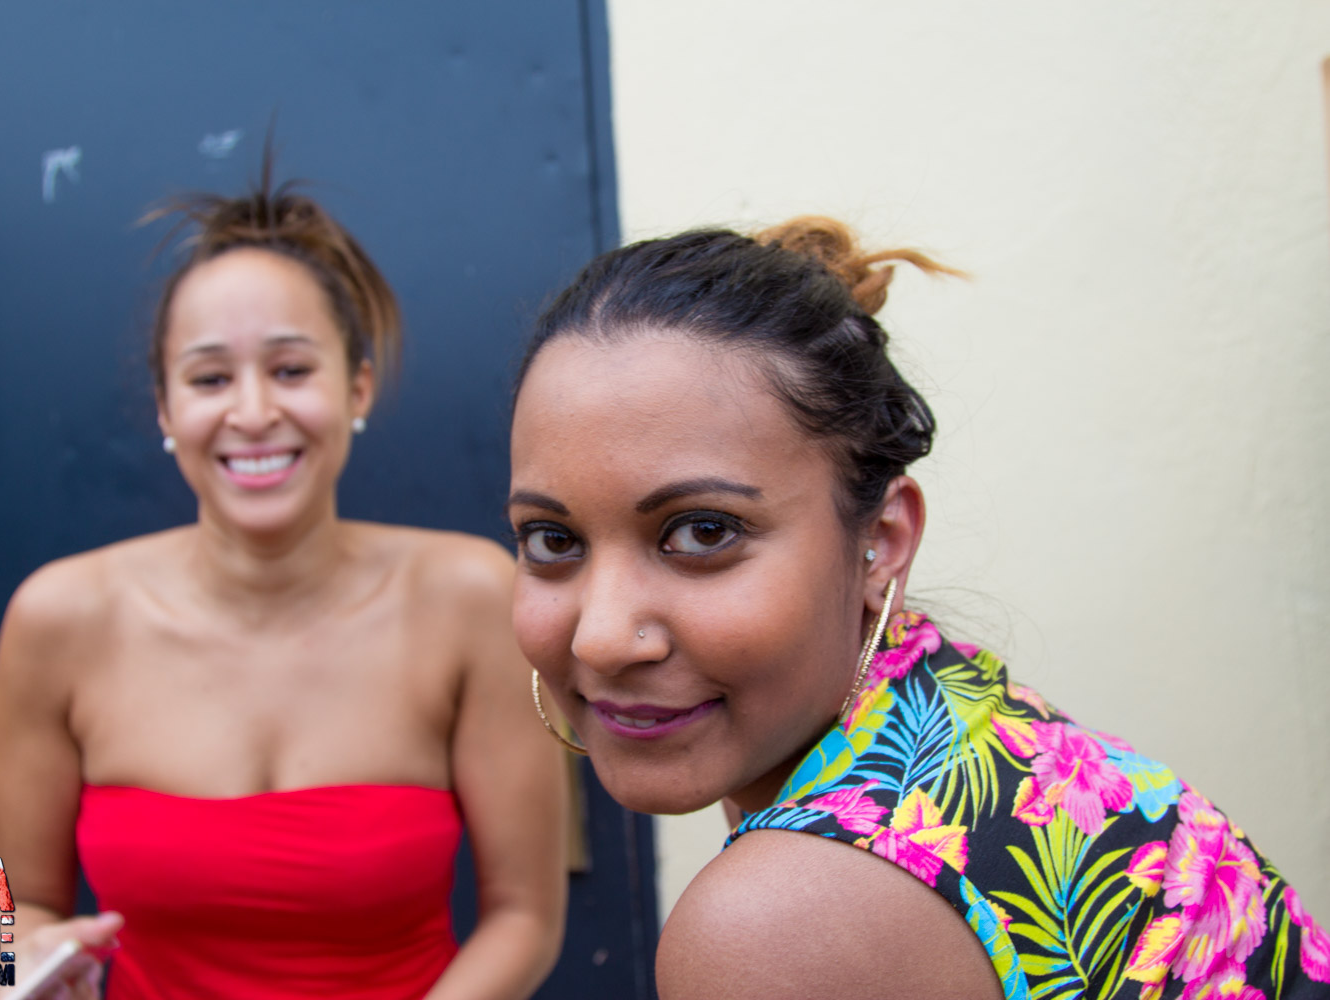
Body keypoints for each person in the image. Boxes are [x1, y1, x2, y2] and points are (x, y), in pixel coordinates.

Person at [507, 217, 1329, 999]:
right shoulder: (963, 723)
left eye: (703, 532)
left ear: (882, 539)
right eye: (552, 539)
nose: (602, 636)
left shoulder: (783, 925)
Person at [0, 167, 567, 1000]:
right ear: (165, 408)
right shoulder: (57, 619)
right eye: (209, 378)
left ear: (356, 386)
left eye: (291, 369)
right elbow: (11, 916)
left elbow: (526, 917)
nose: (253, 412)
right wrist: (23, 970)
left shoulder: (469, 596)